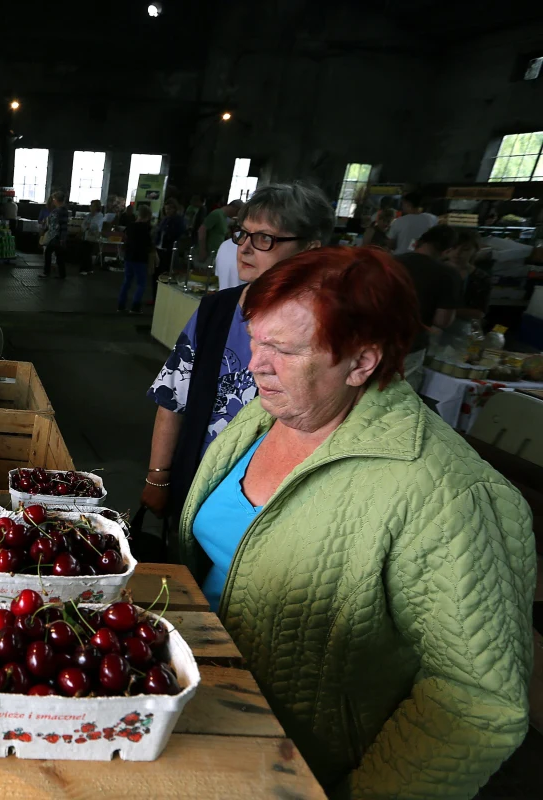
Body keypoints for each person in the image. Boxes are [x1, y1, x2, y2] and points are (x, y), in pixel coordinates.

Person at [180, 244, 534, 797]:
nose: (255, 365)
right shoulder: (267, 413)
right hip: (197, 709)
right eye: (255, 340)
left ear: (363, 362)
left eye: (285, 349)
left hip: (295, 765)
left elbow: (475, 702)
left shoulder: (445, 493)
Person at [143, 182, 335, 528]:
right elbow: (172, 399)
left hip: (276, 504)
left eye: (264, 239)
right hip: (198, 486)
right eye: (242, 234)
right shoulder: (215, 311)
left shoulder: (330, 328)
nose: (245, 249)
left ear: (310, 248)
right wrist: (158, 476)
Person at [395, 224, 466, 390]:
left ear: (419, 242)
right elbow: (442, 320)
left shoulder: (387, 262)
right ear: (448, 250)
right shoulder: (447, 274)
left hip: (369, 341)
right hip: (410, 346)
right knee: (398, 403)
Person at [117, 206, 154, 313]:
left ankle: (121, 305)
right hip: (141, 258)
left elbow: (125, 239)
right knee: (141, 283)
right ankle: (135, 307)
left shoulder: (130, 226)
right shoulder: (148, 228)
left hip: (129, 257)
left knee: (127, 281)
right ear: (148, 216)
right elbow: (150, 244)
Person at [197, 199, 241, 263]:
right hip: (209, 254)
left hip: (216, 254)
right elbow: (202, 230)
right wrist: (202, 250)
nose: (236, 215)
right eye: (237, 212)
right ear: (234, 208)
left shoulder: (225, 217)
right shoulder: (217, 214)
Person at [41, 190, 70, 280]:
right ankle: (62, 274)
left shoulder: (56, 212)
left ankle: (46, 272)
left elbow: (53, 225)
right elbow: (64, 225)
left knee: (48, 253)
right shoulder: (65, 210)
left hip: (55, 236)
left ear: (56, 200)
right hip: (61, 236)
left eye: (53, 199)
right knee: (60, 256)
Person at [80, 199, 106, 276]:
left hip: (93, 237)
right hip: (86, 236)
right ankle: (89, 268)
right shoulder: (89, 215)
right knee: (86, 252)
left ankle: (84, 269)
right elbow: (83, 225)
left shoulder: (100, 216)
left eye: (92, 205)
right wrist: (87, 226)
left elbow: (94, 226)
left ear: (97, 207)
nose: (90, 207)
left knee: (87, 253)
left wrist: (88, 225)